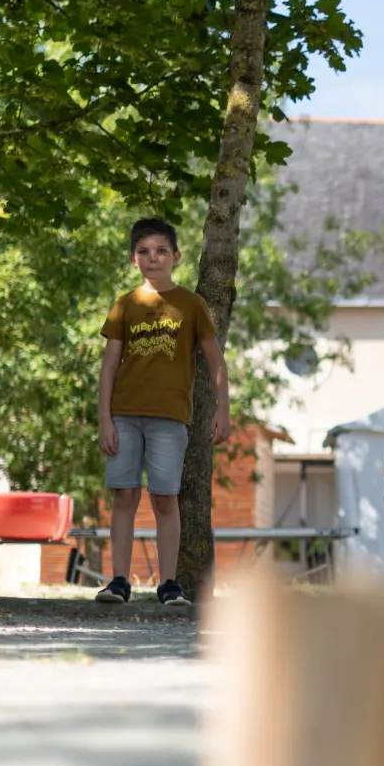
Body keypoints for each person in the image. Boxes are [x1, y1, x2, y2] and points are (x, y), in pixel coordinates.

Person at [96, 217, 230, 606]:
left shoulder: (191, 304)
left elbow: (214, 358)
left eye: (160, 251)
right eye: (143, 252)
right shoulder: (126, 305)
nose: (152, 259)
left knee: (164, 499)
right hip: (124, 414)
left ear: (176, 256)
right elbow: (109, 366)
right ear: (133, 259)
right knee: (123, 496)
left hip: (170, 418)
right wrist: (105, 418)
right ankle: (119, 581)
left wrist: (223, 406)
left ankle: (169, 584)